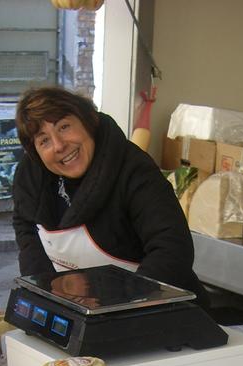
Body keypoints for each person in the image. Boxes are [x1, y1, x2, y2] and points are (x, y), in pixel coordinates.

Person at [12, 86, 208, 303]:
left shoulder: (133, 171)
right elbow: (26, 227)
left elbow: (172, 248)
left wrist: (121, 308)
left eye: (64, 127)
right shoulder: (32, 179)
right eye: (44, 140)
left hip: (159, 311)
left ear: (88, 122)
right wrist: (45, 293)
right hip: (86, 309)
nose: (59, 145)